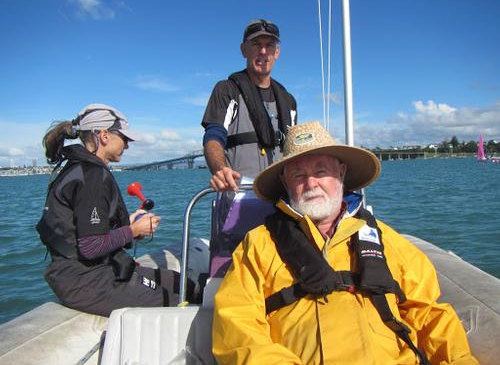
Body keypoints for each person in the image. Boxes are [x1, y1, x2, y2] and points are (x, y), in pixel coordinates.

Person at [212, 121, 477, 364]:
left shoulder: (388, 241)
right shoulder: (258, 244)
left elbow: (429, 314)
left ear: (341, 172)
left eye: (321, 171)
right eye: (298, 175)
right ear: (284, 182)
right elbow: (237, 324)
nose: (311, 183)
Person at [36, 104, 192, 317]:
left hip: (98, 270)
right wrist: (133, 231)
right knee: (176, 302)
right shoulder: (91, 177)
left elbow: (85, 228)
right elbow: (90, 247)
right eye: (125, 139)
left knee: (185, 284)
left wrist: (128, 222)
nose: (127, 146)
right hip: (87, 281)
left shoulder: (80, 169)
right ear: (104, 136)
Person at [202, 19, 297, 192]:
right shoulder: (227, 90)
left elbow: (295, 149)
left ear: (277, 52)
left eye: (269, 45)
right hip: (238, 197)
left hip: (281, 199)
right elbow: (213, 136)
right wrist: (219, 169)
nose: (263, 51)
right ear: (243, 50)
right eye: (256, 44)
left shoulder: (288, 100)